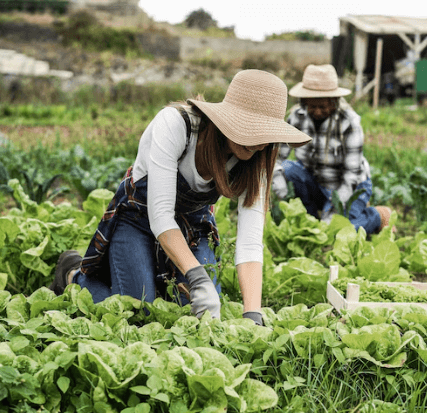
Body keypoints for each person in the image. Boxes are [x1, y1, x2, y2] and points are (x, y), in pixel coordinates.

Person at [51, 70, 311, 325]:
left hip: (192, 227)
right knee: (139, 313)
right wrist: (197, 276)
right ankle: (73, 273)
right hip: (138, 220)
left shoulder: (257, 159)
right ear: (228, 119)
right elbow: (161, 215)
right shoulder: (177, 125)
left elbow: (250, 242)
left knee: (202, 315)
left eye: (266, 133)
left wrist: (252, 312)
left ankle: (151, 277)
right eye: (250, 129)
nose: (259, 143)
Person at [272, 64, 392, 234]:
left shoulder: (349, 123)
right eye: (312, 106)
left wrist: (332, 212)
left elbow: (351, 176)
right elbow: (277, 157)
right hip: (317, 182)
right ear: (304, 101)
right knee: (289, 170)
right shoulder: (296, 117)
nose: (318, 111)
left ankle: (377, 216)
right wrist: (278, 180)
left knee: (335, 233)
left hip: (350, 187)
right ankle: (312, 220)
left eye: (323, 106)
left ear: (334, 101)